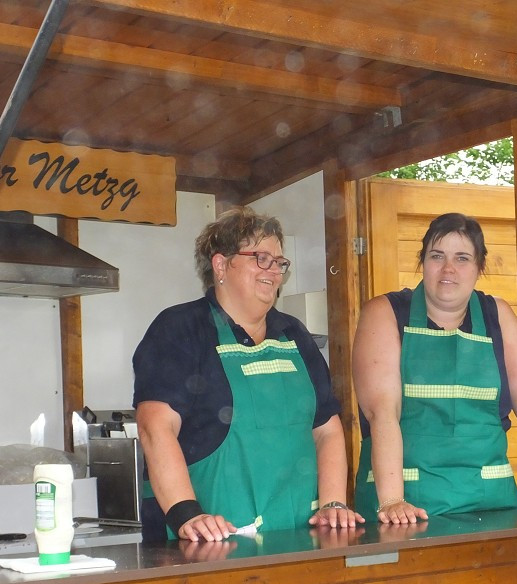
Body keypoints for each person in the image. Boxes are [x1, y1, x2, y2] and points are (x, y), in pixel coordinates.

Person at [133, 206, 362, 543]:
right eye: (261, 258)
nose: (273, 271)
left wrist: (333, 503)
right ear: (221, 264)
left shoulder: (295, 335)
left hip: (298, 538)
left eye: (279, 262)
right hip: (209, 544)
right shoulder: (180, 329)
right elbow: (155, 427)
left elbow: (326, 429)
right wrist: (187, 514)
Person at [353, 212, 517, 524]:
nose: (448, 269)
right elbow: (382, 412)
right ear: (422, 262)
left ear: (479, 267)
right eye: (437, 256)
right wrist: (392, 500)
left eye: (462, 258)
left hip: (491, 507)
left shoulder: (498, 315)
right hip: (407, 512)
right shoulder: (385, 312)